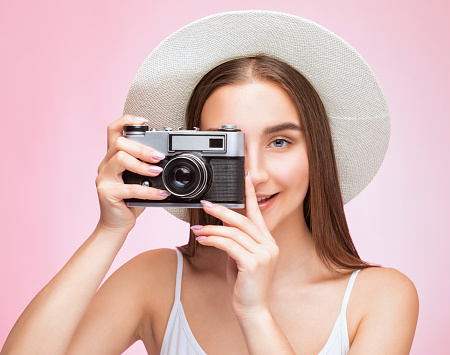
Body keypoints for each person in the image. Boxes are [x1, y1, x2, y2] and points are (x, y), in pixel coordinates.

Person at [2, 11, 419, 355]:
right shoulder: (158, 279)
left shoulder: (379, 298)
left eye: (279, 141)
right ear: (194, 157)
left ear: (316, 154)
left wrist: (255, 314)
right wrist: (110, 230)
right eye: (228, 147)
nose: (253, 173)